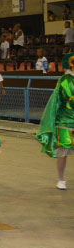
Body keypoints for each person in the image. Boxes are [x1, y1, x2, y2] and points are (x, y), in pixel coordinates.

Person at [36, 53, 74, 190]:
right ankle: (61, 179)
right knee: (63, 152)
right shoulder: (65, 79)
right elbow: (68, 99)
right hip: (65, 121)